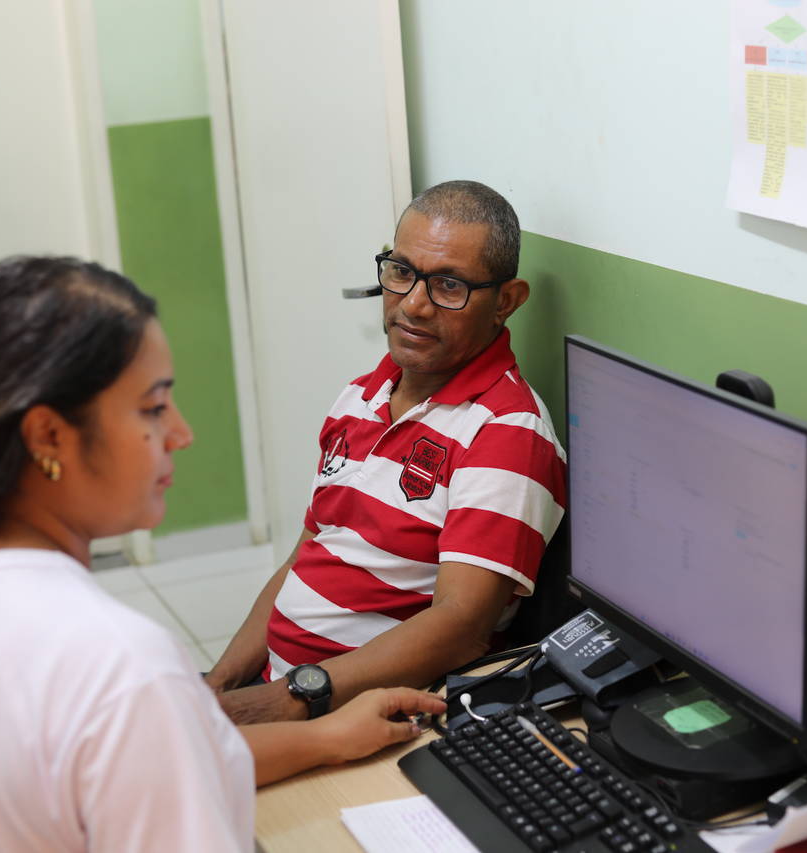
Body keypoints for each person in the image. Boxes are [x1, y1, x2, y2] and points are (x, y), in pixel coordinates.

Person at [0, 256, 445, 852]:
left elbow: (159, 758)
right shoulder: (120, 666)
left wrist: (328, 738)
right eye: (153, 407)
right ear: (49, 436)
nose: (181, 433)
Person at [206, 180, 567, 724]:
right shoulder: (361, 396)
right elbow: (306, 557)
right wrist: (219, 686)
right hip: (282, 695)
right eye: (401, 272)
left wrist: (284, 701)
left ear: (506, 302)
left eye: (448, 285)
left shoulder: (506, 430)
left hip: (355, 717)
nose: (414, 305)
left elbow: (461, 628)